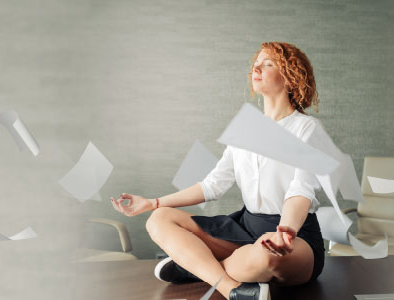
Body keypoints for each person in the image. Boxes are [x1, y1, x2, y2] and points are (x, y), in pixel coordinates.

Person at [110, 41, 329, 300]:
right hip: (244, 230)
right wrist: (152, 202)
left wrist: (285, 232)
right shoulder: (244, 130)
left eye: (268, 63)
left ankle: (195, 266)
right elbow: (213, 185)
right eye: (256, 62)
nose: (256, 67)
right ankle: (230, 288)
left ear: (291, 77)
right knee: (159, 218)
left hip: (294, 235)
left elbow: (300, 191)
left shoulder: (308, 129)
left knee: (265, 256)